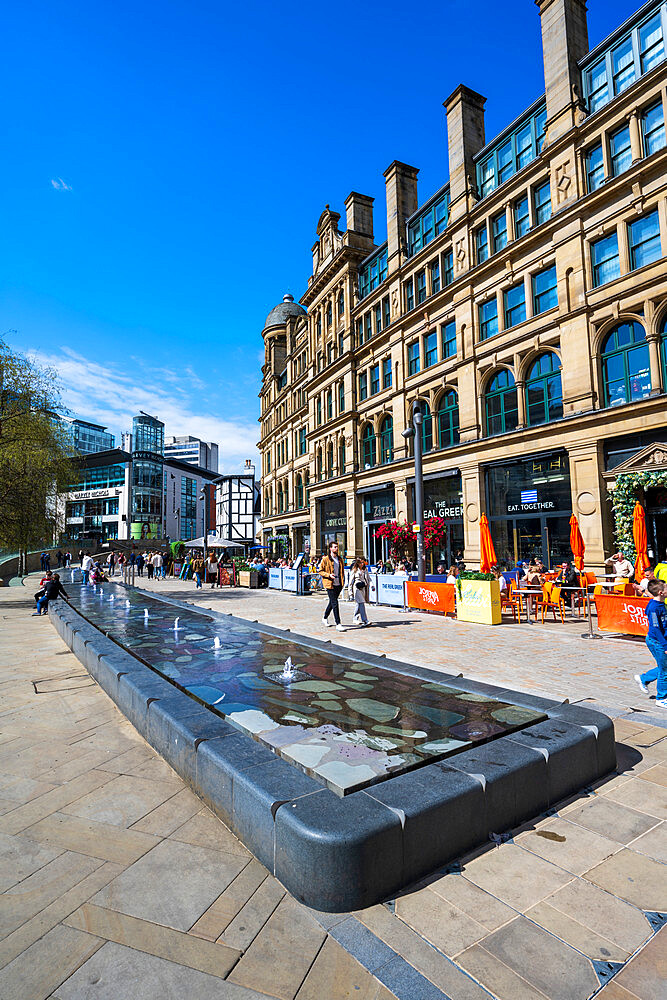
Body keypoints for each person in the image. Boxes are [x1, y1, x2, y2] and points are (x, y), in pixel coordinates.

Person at [634, 579, 667, 708]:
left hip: (660, 640)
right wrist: (665, 646)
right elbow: (656, 628)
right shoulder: (654, 607)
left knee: (664, 667)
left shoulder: (659, 603)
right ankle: (661, 698)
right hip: (657, 642)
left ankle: (644, 679)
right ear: (661, 592)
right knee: (665, 671)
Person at [319, 541, 346, 631]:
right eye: (334, 547)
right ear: (330, 548)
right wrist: (329, 575)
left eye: (337, 547)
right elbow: (321, 571)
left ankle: (324, 618)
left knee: (332, 602)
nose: (336, 549)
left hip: (338, 583)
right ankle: (338, 623)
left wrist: (343, 582)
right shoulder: (326, 559)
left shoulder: (340, 559)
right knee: (335, 603)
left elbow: (341, 572)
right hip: (329, 584)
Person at [348, 557, 371, 627]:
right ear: (358, 563)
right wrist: (350, 593)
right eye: (361, 562)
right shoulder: (354, 570)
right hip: (357, 588)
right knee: (361, 603)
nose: (362, 564)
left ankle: (355, 618)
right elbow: (350, 583)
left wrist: (371, 585)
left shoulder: (365, 570)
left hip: (363, 588)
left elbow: (368, 578)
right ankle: (365, 620)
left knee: (359, 603)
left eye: (363, 562)